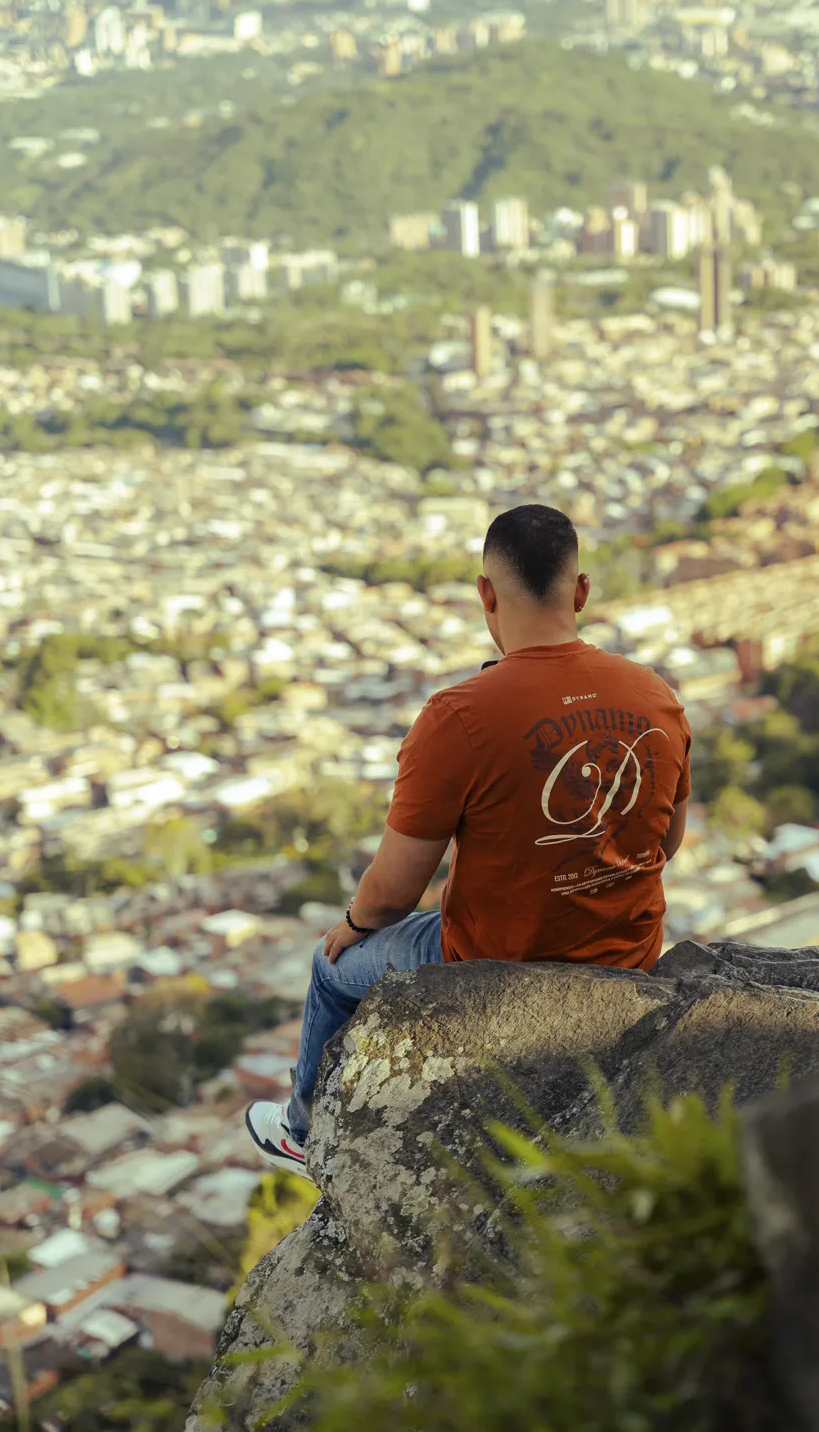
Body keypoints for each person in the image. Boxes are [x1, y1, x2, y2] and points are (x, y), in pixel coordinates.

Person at [245, 504, 691, 1179]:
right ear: (581, 590)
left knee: (330, 967)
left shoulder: (459, 715)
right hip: (626, 956)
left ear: (485, 594)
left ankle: (301, 1132)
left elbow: (393, 892)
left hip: (496, 965)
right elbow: (668, 840)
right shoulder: (656, 695)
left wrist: (350, 925)